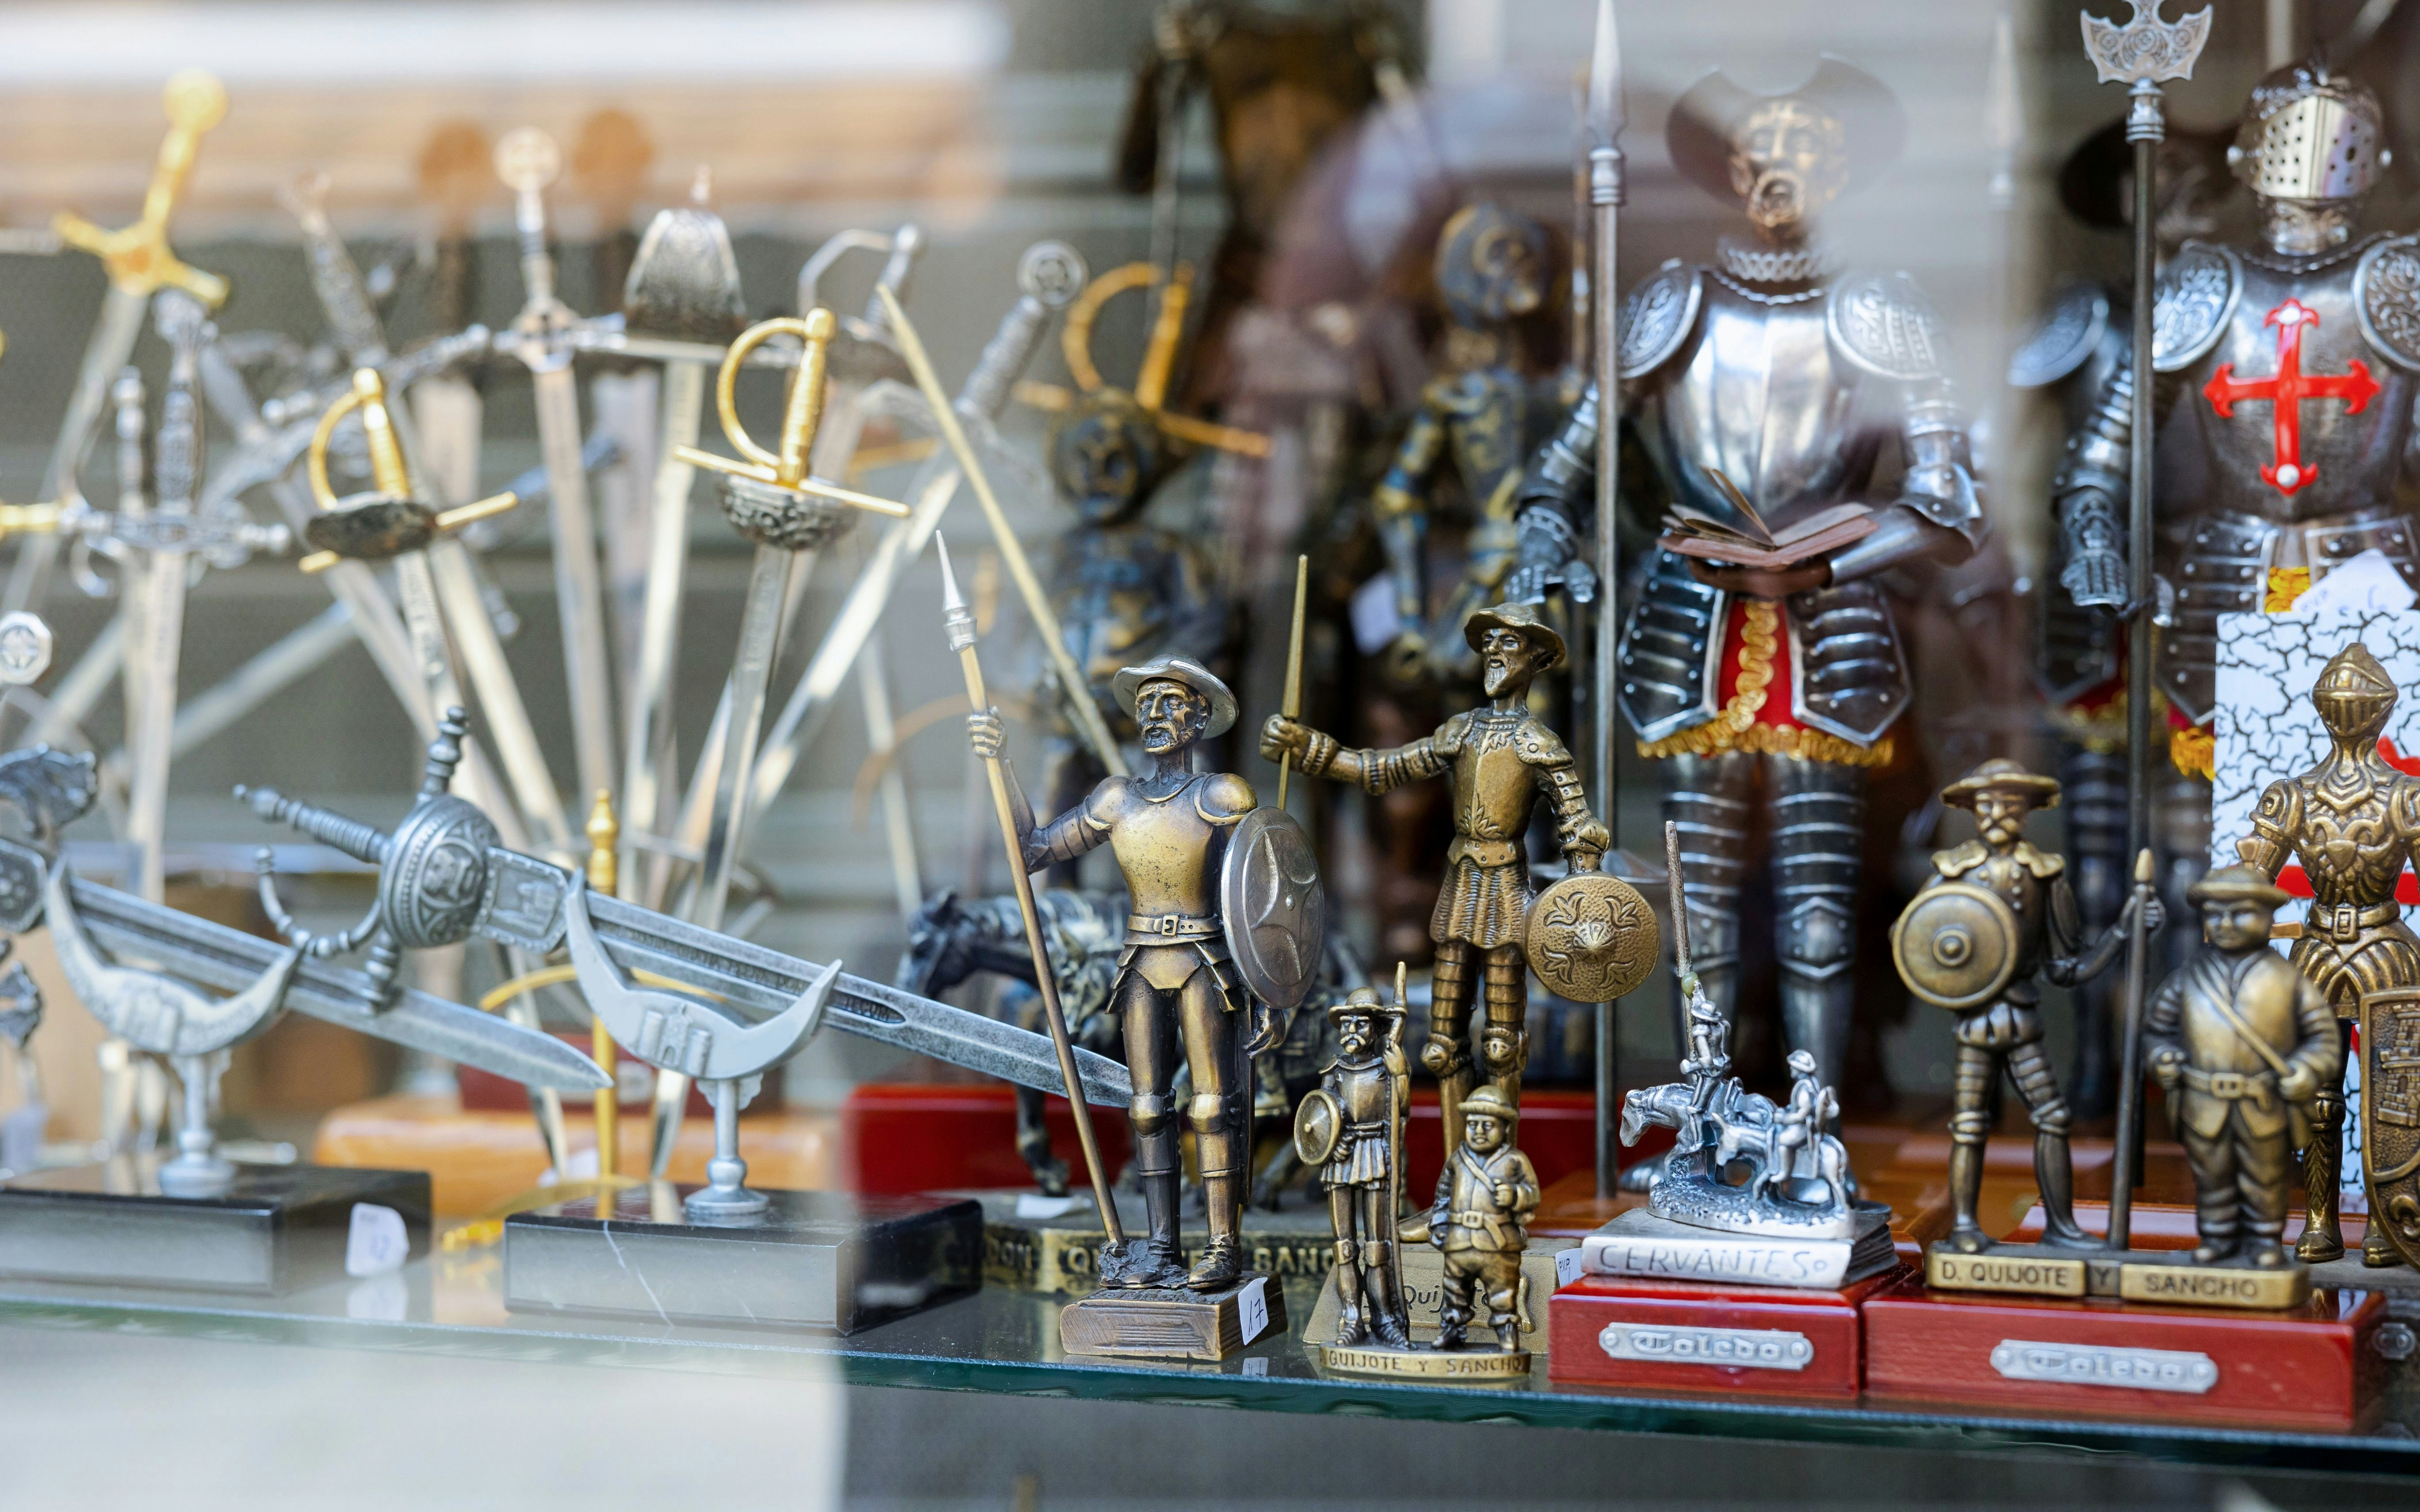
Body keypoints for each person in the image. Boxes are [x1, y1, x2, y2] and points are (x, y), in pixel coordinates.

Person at [968, 652, 1275, 1290]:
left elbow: (1265, 894)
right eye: (1145, 706)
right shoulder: (1116, 799)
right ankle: (1161, 1245)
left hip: (1204, 959)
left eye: (1170, 704)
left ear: (1199, 720)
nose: (1155, 716)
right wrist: (1004, 764)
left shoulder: (1222, 796)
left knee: (1215, 1106)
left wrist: (1271, 988)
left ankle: (1222, 1246)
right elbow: (1033, 852)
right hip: (1138, 962)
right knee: (1145, 1108)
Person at [2144, 866, 2340, 1268]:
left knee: (2266, 1178)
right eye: (2215, 914)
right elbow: (2156, 1030)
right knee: (2212, 1177)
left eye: (2241, 913)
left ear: (2269, 918)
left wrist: (2306, 1069)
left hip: (2262, 1102)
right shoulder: (2187, 979)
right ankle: (2217, 1239)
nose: (2226, 923)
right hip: (2204, 1101)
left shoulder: (2288, 980)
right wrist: (2163, 1056)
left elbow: (2323, 1038)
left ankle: (2266, 1241)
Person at [1427, 1086, 1538, 1353]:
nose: (1479, 1131)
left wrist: (1515, 1195)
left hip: (1497, 1243)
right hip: (1459, 1241)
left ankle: (1507, 1335)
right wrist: (1439, 1226)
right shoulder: (1457, 1160)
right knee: (1454, 1292)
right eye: (1473, 1124)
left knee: (1502, 1294)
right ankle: (1452, 1332)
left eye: (1488, 1125)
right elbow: (1443, 1195)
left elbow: (1532, 1194)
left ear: (1505, 1129)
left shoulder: (1515, 1160)